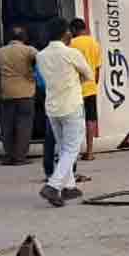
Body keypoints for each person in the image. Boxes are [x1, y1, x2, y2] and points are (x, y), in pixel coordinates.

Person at [36, 17, 92, 208]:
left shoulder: (41, 55)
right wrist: (76, 81)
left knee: (62, 147)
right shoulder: (72, 53)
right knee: (71, 149)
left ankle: (68, 187)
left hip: (52, 107)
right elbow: (88, 74)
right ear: (65, 33)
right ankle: (53, 185)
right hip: (71, 106)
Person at [0, 26, 38, 166]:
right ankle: (20, 157)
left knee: (6, 125)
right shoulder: (30, 50)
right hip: (26, 93)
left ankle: (8, 156)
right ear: (24, 38)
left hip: (6, 94)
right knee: (24, 125)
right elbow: (42, 64)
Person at [69, 18, 103, 162]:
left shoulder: (71, 44)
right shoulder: (95, 44)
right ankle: (89, 152)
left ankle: (72, 154)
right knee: (90, 120)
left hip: (74, 88)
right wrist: (94, 84)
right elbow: (97, 68)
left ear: (74, 30)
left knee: (73, 121)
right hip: (90, 88)